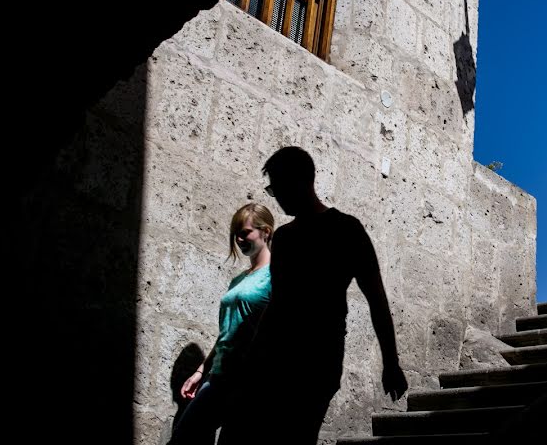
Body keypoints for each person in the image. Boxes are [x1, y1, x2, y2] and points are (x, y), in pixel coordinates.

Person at [220, 146, 408, 445]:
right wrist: (252, 360)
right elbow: (277, 304)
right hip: (287, 358)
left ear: (299, 182)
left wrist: (391, 363)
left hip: (315, 361)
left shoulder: (346, 230)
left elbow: (377, 300)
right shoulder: (285, 237)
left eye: (276, 188)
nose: (276, 197)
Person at [169, 203, 274, 445]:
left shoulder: (275, 276)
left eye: (245, 232)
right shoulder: (239, 279)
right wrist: (200, 371)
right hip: (219, 378)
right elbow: (227, 332)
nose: (239, 238)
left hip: (251, 384)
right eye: (235, 233)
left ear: (265, 232)